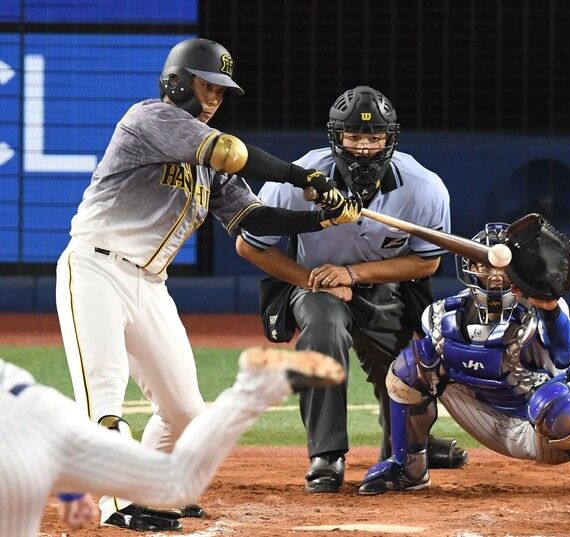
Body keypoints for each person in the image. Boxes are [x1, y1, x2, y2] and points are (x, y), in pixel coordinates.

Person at [55, 37, 361, 531]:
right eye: (208, 86)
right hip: (95, 269)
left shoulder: (207, 166)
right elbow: (231, 151)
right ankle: (117, 503)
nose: (216, 98)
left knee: (185, 414)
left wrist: (321, 219)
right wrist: (302, 176)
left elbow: (251, 217)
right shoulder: (148, 118)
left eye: (221, 90)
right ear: (178, 82)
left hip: (150, 284)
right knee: (103, 397)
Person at [236, 85, 467, 494]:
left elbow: (427, 261)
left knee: (409, 365)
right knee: (323, 332)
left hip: (385, 287)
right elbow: (249, 245)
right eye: (354, 136)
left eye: (374, 137)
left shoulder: (424, 187)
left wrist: (352, 274)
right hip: (314, 285)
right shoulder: (297, 178)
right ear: (335, 137)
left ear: (390, 138)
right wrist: (313, 280)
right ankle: (326, 456)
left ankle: (409, 447)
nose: (363, 147)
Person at [358, 217, 570, 495]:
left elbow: (562, 355)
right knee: (411, 366)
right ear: (471, 268)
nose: (494, 274)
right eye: (484, 264)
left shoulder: (544, 309)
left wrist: (549, 309)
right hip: (486, 419)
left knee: (558, 404)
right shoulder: (445, 314)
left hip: (551, 432)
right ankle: (407, 469)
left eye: (501, 266)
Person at [0, 348, 344, 536]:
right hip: (43, 409)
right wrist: (72, 486)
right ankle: (259, 385)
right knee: (175, 482)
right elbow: (35, 429)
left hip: (11, 448)